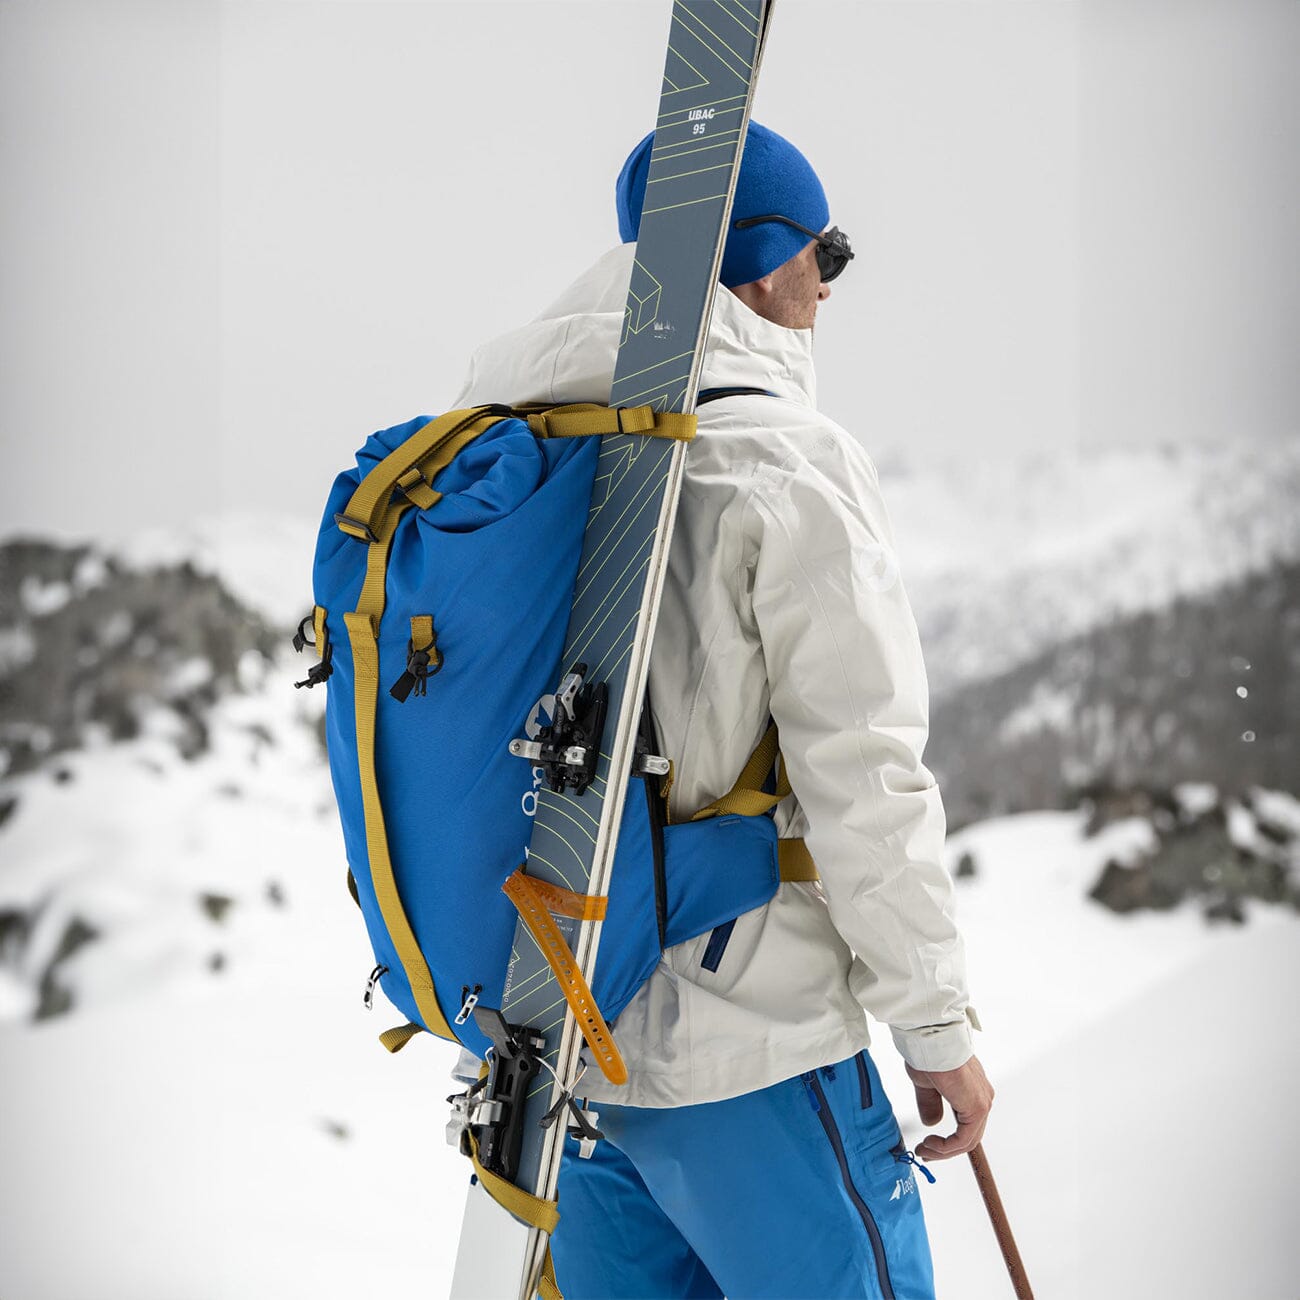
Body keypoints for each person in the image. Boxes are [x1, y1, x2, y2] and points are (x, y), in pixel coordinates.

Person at [453, 122, 993, 1300]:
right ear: (760, 265)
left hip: (575, 1059)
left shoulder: (518, 436)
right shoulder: (782, 458)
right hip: (757, 1053)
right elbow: (863, 773)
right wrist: (937, 1032)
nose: (827, 289)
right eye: (826, 254)